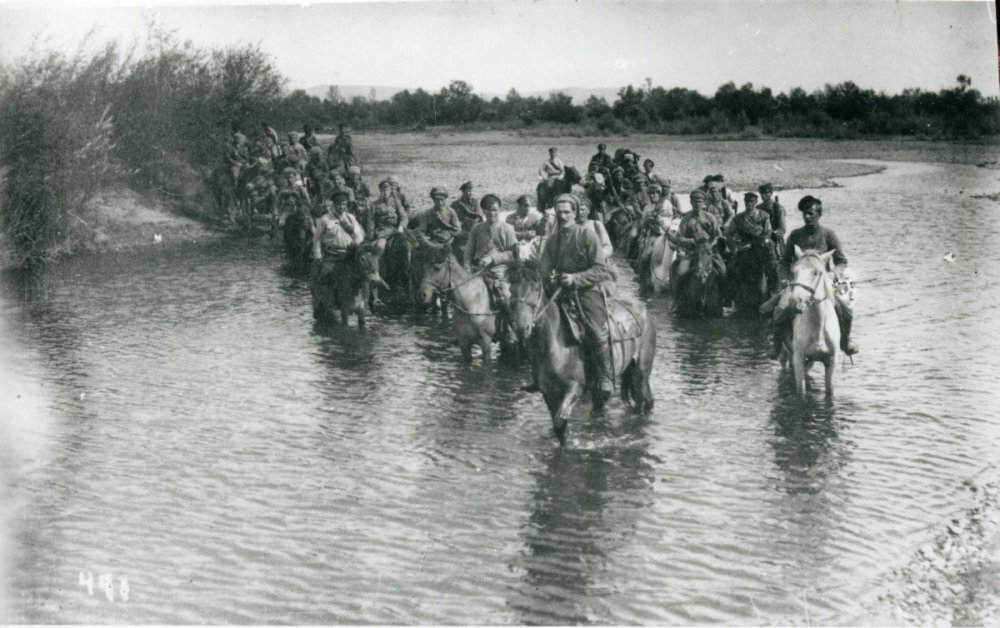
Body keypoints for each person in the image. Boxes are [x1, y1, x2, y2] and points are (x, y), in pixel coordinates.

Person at [527, 193, 614, 399]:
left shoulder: (588, 236)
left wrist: (575, 278)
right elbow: (544, 268)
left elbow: (600, 270)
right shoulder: (552, 240)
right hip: (558, 290)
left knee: (595, 329)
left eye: (567, 212)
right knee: (535, 324)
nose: (563, 216)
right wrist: (546, 278)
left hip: (585, 291)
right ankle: (538, 375)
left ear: (575, 213)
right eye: (559, 213)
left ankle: (605, 376)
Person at [765, 195, 858, 358]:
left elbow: (842, 262)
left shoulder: (829, 235)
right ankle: (777, 345)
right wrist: (786, 280)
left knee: (845, 308)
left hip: (823, 283)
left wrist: (831, 274)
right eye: (805, 214)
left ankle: (845, 342)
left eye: (811, 214)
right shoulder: (795, 235)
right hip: (799, 283)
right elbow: (784, 263)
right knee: (780, 309)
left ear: (818, 215)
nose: (807, 217)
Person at [465, 194, 518, 310]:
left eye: (495, 210)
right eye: (487, 210)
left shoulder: (507, 229)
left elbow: (512, 254)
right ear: (483, 211)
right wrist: (467, 266)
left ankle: (509, 326)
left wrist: (493, 258)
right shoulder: (476, 229)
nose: (491, 213)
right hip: (479, 270)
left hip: (501, 271)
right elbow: (469, 250)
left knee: (506, 299)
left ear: (499, 210)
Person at [311, 191, 365, 285]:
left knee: (363, 276)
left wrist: (354, 244)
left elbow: (359, 236)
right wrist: (318, 256)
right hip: (331, 255)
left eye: (343, 204)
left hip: (348, 255)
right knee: (323, 277)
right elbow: (317, 239)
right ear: (334, 205)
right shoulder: (325, 219)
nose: (341, 207)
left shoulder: (351, 218)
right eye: (338, 204)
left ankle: (372, 298)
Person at [670, 189, 722, 280]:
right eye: (695, 202)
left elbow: (718, 235)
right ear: (691, 202)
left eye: (700, 202)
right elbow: (679, 238)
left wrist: (710, 244)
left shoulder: (710, 217)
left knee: (723, 271)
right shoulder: (686, 219)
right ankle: (678, 294)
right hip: (691, 253)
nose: (697, 204)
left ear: (703, 202)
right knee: (680, 272)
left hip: (708, 253)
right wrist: (692, 241)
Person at [757, 182, 787, 255]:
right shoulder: (758, 208)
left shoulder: (778, 208)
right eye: (761, 193)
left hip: (774, 240)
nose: (763, 195)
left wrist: (771, 233)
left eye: (765, 193)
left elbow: (782, 229)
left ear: (771, 193)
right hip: (759, 238)